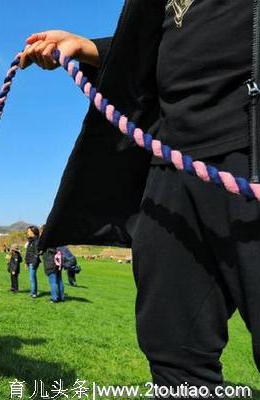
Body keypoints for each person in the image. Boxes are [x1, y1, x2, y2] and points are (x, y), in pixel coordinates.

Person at [20, 0, 260, 389]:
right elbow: (162, 44)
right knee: (174, 351)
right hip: (171, 169)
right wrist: (86, 47)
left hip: (250, 156)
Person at [24, 226, 41, 298]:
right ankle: (33, 292)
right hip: (29, 261)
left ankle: (34, 293)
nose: (27, 232)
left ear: (33, 232)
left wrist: (34, 263)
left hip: (33, 262)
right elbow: (28, 252)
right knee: (32, 277)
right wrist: (26, 261)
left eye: (28, 231)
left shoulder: (37, 241)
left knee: (32, 278)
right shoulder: (30, 241)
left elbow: (37, 253)